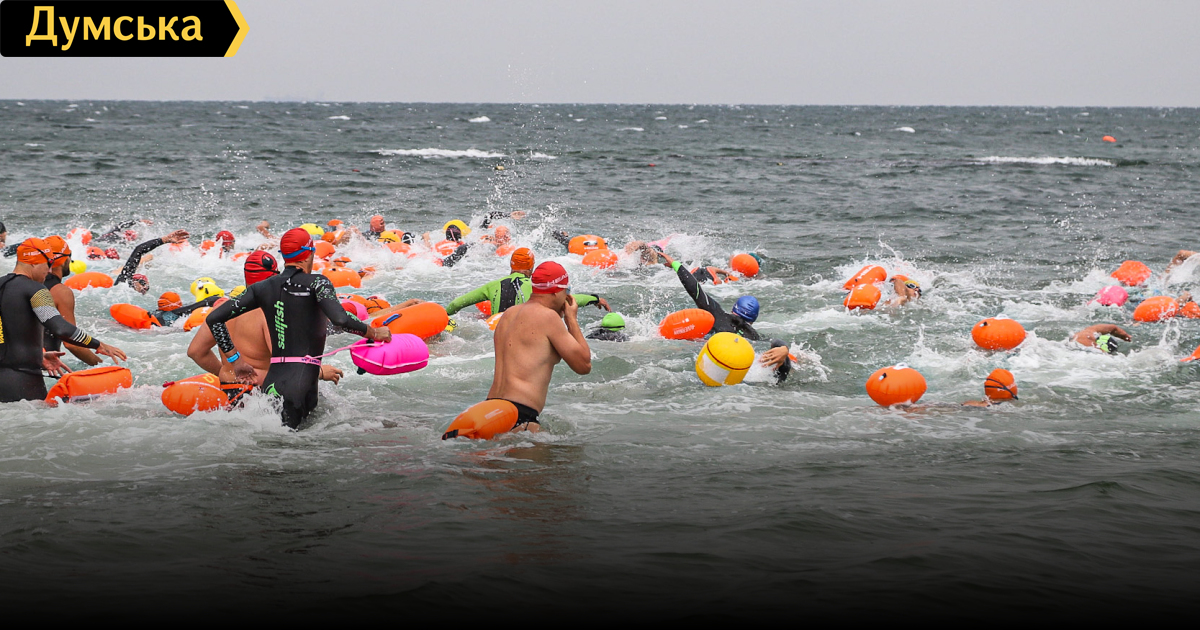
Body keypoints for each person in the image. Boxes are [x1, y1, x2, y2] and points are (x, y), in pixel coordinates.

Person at [204, 229, 390, 429]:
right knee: (305, 443)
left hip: (272, 385)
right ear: (309, 254)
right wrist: (373, 332)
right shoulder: (317, 283)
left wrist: (236, 360)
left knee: (276, 441)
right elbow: (340, 318)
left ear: (284, 256)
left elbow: (214, 319)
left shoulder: (262, 288)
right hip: (301, 385)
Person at [190, 251, 345, 388]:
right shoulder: (270, 312)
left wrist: (226, 373)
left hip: (228, 389)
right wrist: (320, 372)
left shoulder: (221, 309)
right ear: (274, 277)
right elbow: (287, 362)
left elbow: (196, 352)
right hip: (260, 394)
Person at [0, 238, 126, 402]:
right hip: (23, 380)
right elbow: (60, 328)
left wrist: (39, 355)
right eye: (48, 264)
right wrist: (98, 344)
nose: (49, 270)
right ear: (34, 262)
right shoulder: (37, 290)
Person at [481, 261, 593, 432]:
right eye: (567, 291)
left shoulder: (508, 314)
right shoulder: (548, 317)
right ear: (556, 292)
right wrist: (571, 319)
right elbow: (584, 365)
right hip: (519, 415)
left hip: (489, 410)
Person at [657, 251, 792, 382]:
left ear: (734, 309)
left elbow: (695, 289)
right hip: (735, 371)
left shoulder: (718, 315)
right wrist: (784, 349)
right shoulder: (754, 336)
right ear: (752, 321)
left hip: (704, 359)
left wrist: (676, 264)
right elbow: (775, 342)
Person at [444, 248, 610, 316]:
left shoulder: (492, 286)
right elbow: (568, 299)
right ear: (531, 268)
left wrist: (443, 317)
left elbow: (456, 304)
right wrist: (594, 299)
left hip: (495, 332)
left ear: (511, 265)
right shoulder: (536, 288)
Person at [41, 236, 101, 366]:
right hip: (45, 368)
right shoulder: (60, 292)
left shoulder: (24, 284)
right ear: (65, 259)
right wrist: (101, 365)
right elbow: (71, 343)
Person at [114, 229, 189, 293]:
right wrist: (164, 240)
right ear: (133, 282)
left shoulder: (121, 289)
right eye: (142, 283)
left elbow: (139, 251)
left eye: (147, 287)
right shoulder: (122, 284)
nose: (144, 287)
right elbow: (139, 250)